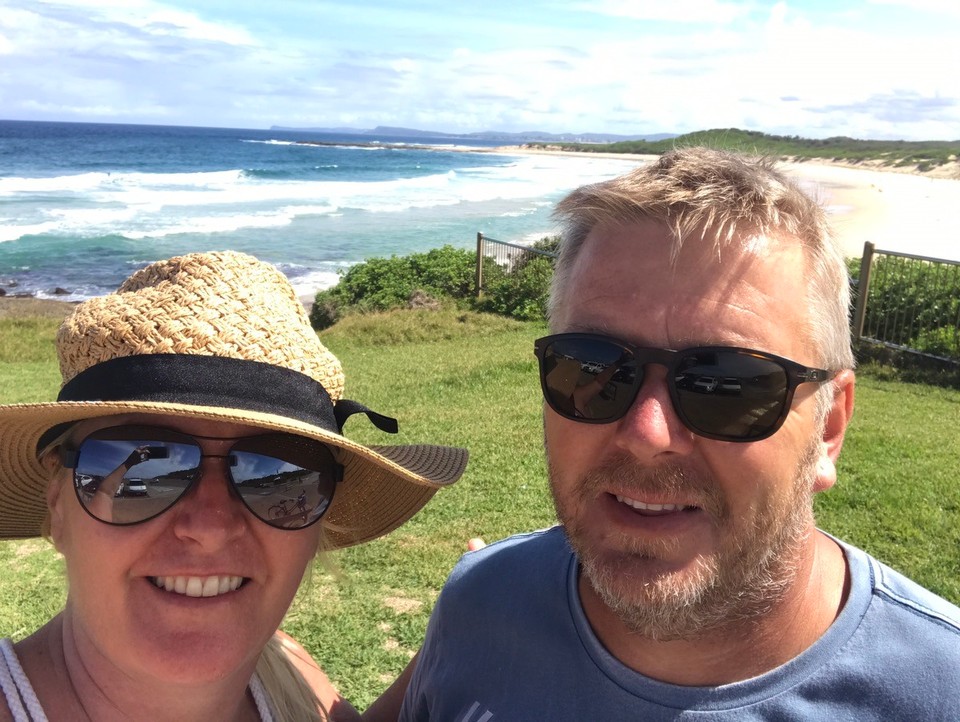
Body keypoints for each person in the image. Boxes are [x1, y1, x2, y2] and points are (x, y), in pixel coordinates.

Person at [395, 148, 960, 719]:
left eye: (726, 384)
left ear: (829, 428)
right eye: (595, 367)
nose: (647, 433)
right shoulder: (479, 606)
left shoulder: (939, 691)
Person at [0, 250, 467, 721]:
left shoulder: (287, 674)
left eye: (275, 474)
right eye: (133, 462)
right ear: (57, 506)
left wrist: (461, 630)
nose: (210, 527)